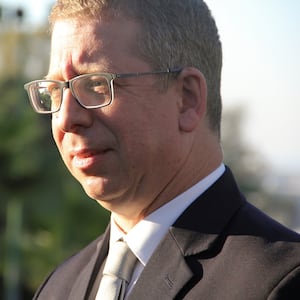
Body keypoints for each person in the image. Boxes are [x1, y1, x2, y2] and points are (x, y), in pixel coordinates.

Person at [24, 0, 300, 299]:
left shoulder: (282, 282)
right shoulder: (58, 287)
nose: (66, 118)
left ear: (187, 98)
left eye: (96, 85)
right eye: (54, 92)